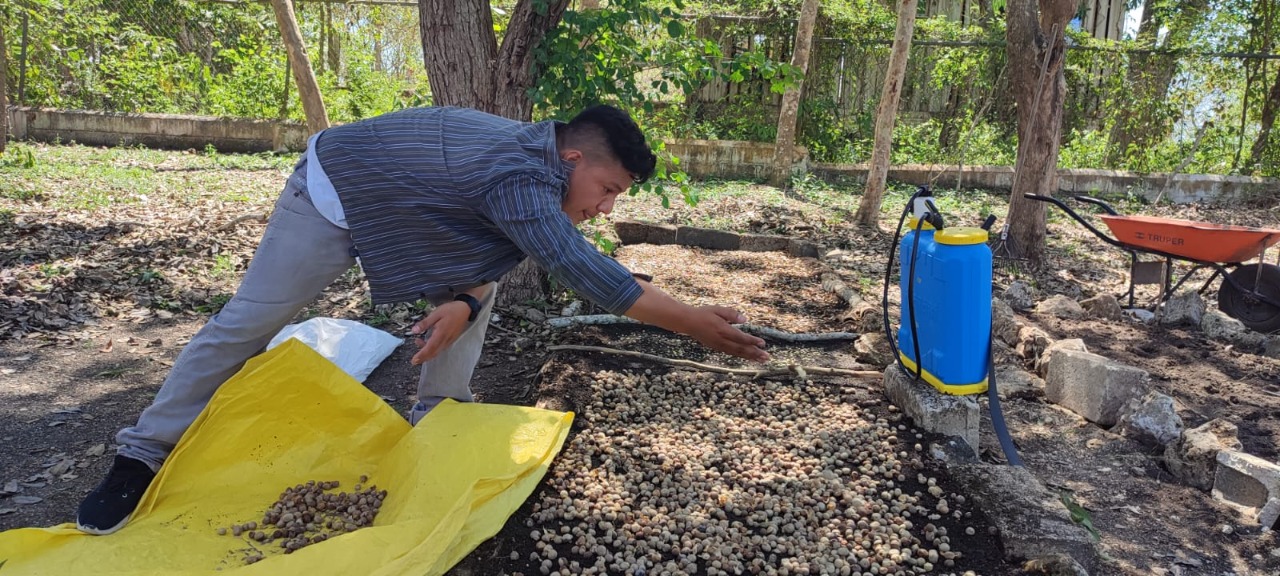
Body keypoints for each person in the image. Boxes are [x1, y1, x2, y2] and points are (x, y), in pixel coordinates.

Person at [74, 104, 770, 535]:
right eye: (608, 189)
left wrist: (463, 300)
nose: (609, 208)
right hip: (334, 195)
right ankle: (142, 453)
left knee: (479, 293)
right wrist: (695, 325)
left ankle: (439, 413)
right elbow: (582, 270)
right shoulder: (519, 175)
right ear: (572, 157)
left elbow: (503, 243)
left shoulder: (536, 175)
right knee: (249, 322)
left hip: (421, 216)